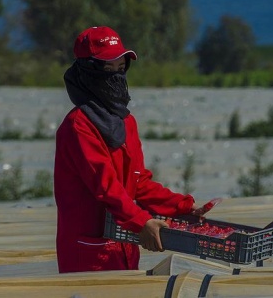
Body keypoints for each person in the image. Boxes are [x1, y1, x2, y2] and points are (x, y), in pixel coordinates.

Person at [54, 26, 197, 273]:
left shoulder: (125, 122)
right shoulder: (78, 126)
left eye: (120, 69)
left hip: (124, 245)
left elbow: (138, 182)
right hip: (89, 252)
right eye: (107, 69)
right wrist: (142, 221)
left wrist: (182, 206)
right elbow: (105, 187)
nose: (115, 77)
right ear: (87, 71)